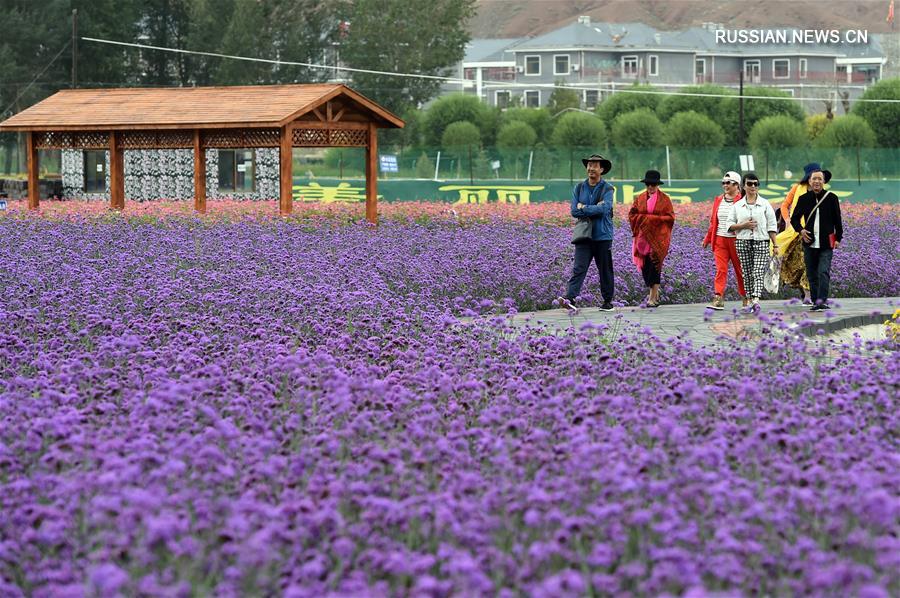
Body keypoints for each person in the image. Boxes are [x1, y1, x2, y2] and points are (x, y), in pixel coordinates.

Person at [557, 154, 615, 312]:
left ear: (601, 169)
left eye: (595, 165)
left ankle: (607, 301)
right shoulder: (579, 187)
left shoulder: (607, 188)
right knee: (579, 268)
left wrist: (585, 207)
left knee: (604, 269)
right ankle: (570, 298)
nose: (591, 168)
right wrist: (590, 208)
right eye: (589, 165)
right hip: (584, 235)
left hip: (602, 235)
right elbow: (574, 211)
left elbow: (605, 208)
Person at [790, 166, 842, 311]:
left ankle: (822, 301)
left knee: (823, 271)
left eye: (820, 179)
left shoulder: (832, 198)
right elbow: (794, 219)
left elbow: (838, 221)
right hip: (809, 243)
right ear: (810, 181)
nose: (817, 181)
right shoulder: (803, 199)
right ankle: (815, 301)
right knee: (812, 274)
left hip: (826, 243)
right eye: (814, 179)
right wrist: (801, 231)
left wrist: (838, 238)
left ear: (824, 181)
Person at [725, 172, 777, 313]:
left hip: (761, 241)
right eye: (750, 184)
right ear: (743, 186)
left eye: (756, 184)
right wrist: (743, 225)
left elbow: (772, 226)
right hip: (743, 241)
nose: (753, 186)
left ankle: (755, 299)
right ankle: (748, 299)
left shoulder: (765, 204)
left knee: (758, 271)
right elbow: (729, 226)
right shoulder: (737, 206)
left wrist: (775, 244)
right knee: (746, 273)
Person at [775, 164, 822, 304]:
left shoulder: (820, 191)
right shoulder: (797, 188)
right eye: (814, 177)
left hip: (813, 233)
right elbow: (784, 205)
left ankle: (808, 294)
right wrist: (788, 220)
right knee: (796, 265)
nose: (816, 180)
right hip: (796, 232)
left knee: (809, 263)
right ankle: (804, 292)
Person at [628, 169, 675, 308]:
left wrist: (650, 220)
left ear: (657, 185)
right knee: (645, 268)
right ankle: (654, 293)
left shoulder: (665, 199)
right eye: (648, 184)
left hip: (658, 240)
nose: (650, 187)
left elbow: (670, 218)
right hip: (642, 240)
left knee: (654, 267)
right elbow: (632, 214)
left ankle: (652, 298)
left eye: (653, 185)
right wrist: (642, 219)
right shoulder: (640, 198)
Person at [701, 170, 747, 310]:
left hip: (736, 240)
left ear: (736, 185)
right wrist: (708, 238)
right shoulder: (719, 200)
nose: (725, 185)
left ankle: (746, 297)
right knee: (721, 269)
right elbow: (714, 222)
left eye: (728, 183)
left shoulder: (742, 201)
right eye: (724, 183)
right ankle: (718, 297)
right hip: (720, 240)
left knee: (740, 270)